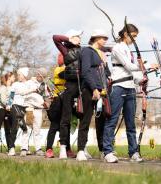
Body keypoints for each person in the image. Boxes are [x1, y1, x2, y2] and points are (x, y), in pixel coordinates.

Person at [102, 23, 152, 163]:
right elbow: (128, 66)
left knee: (130, 122)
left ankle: (133, 152)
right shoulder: (117, 48)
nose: (134, 39)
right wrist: (146, 66)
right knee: (112, 120)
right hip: (118, 88)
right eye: (133, 36)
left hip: (130, 87)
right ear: (126, 34)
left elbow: (132, 72)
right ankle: (107, 151)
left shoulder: (128, 50)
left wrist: (140, 80)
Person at [76, 29, 110, 161]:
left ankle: (102, 150)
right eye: (103, 38)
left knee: (101, 121)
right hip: (90, 91)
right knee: (85, 120)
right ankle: (80, 150)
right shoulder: (86, 51)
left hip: (101, 91)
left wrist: (103, 88)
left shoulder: (98, 54)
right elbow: (85, 71)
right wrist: (94, 88)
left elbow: (102, 73)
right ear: (96, 38)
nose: (105, 41)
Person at [53, 30, 83, 160]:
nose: (79, 38)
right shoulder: (65, 50)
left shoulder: (83, 50)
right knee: (65, 118)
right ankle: (63, 148)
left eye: (79, 37)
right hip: (70, 86)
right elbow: (55, 37)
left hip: (82, 86)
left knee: (83, 117)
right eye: (77, 36)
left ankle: (83, 149)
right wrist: (70, 39)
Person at [45, 53, 76, 159]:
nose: (60, 59)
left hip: (67, 98)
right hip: (58, 99)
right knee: (54, 125)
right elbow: (65, 74)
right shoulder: (59, 69)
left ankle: (67, 149)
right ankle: (49, 149)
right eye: (59, 57)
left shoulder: (68, 68)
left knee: (66, 124)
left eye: (61, 57)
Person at [8, 67, 36, 156]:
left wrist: (33, 82)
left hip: (24, 108)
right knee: (14, 127)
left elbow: (36, 87)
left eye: (19, 74)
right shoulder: (15, 84)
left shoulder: (29, 83)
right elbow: (12, 95)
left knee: (24, 128)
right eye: (18, 74)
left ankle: (25, 147)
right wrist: (9, 104)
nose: (18, 76)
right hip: (15, 106)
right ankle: (11, 148)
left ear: (24, 75)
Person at [22, 67, 49, 156]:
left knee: (37, 130)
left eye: (41, 75)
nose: (39, 75)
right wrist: (33, 90)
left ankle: (38, 149)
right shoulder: (29, 82)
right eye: (38, 73)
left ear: (44, 77)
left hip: (39, 110)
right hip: (29, 108)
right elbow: (23, 92)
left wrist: (47, 103)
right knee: (27, 129)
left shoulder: (44, 85)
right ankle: (24, 149)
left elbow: (46, 97)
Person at [0, 72, 14, 154]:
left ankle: (10, 148)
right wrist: (8, 106)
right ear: (8, 79)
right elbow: (4, 101)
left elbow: (11, 98)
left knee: (8, 130)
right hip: (0, 110)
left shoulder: (10, 87)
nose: (14, 79)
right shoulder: (3, 88)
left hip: (7, 110)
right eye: (12, 77)